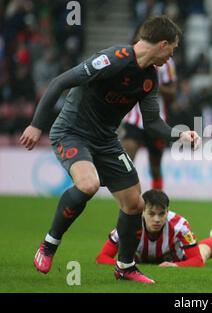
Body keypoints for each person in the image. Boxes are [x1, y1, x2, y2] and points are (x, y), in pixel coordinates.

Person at [20, 16, 200, 284]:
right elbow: (60, 82)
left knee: (135, 203)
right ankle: (49, 244)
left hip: (105, 141)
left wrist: (180, 134)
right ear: (162, 44)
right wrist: (37, 125)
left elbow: (152, 123)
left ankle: (125, 266)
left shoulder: (150, 77)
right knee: (89, 184)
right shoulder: (113, 59)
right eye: (172, 49)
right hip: (72, 133)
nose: (172, 55)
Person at [96, 189, 212, 267]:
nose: (157, 219)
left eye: (161, 214)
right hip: (141, 260)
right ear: (142, 211)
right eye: (152, 214)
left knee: (202, 254)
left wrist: (176, 266)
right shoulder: (128, 224)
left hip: (174, 259)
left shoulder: (179, 225)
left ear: (167, 211)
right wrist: (127, 265)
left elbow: (197, 261)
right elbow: (102, 257)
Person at [120, 57, 177, 191]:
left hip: (156, 121)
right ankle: (128, 205)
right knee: (127, 165)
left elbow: (173, 93)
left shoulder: (167, 63)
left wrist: (152, 84)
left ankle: (157, 203)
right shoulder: (130, 58)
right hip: (133, 120)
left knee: (155, 167)